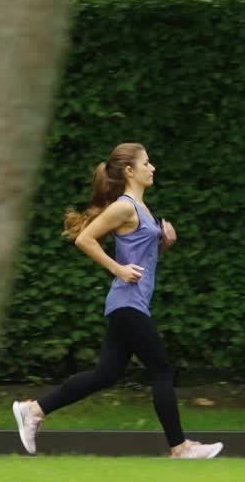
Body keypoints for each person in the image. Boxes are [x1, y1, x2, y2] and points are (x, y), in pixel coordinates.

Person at [13, 142, 223, 459]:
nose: (152, 168)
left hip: (129, 302)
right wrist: (117, 269)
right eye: (147, 163)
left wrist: (165, 243)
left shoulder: (143, 210)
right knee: (162, 370)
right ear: (129, 171)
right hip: (127, 303)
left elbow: (140, 258)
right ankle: (179, 447)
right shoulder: (124, 207)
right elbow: (85, 239)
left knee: (106, 374)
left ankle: (36, 410)